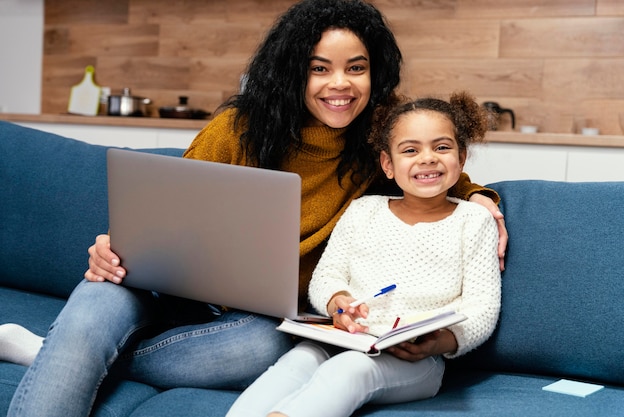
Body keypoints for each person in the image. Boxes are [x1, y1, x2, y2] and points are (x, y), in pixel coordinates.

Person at [3, 1, 505, 416]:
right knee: (94, 306)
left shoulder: (377, 145)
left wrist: (482, 197)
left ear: (376, 74)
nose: (340, 84)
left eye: (357, 68)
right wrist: (114, 245)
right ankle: (75, 347)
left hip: (250, 321)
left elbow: (436, 167)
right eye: (319, 68)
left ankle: (63, 353)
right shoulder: (240, 128)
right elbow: (167, 202)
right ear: (294, 73)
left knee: (263, 349)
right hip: (161, 282)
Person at [225, 91, 502, 417]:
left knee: (349, 371)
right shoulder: (362, 212)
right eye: (410, 150)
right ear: (388, 164)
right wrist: (336, 302)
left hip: (419, 362)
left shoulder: (474, 220)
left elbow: (483, 309)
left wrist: (441, 342)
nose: (427, 158)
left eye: (442, 147)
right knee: (296, 361)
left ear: (462, 157)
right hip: (345, 339)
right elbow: (326, 277)